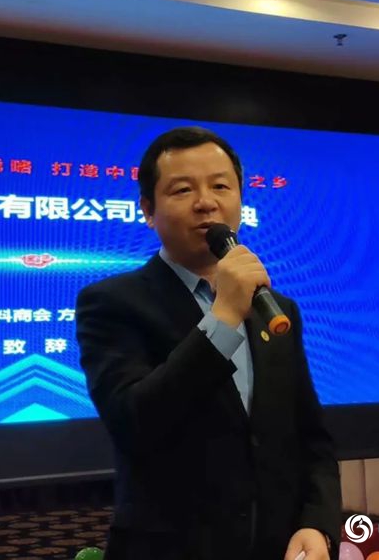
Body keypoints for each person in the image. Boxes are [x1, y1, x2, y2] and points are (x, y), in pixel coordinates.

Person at [76, 126, 341, 560]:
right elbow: (134, 423)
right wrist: (223, 316)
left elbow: (312, 438)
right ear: (148, 210)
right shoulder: (111, 303)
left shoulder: (277, 309)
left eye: (221, 186)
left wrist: (318, 523)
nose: (206, 202)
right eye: (183, 190)